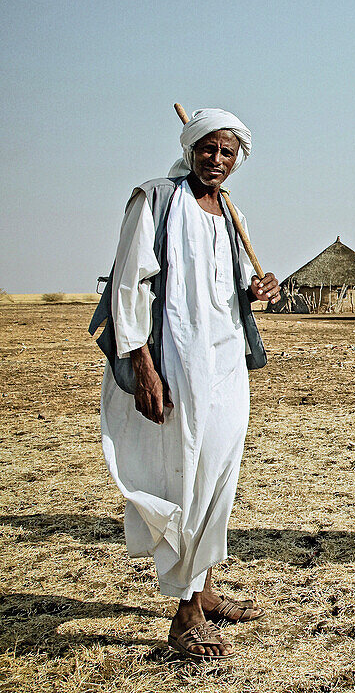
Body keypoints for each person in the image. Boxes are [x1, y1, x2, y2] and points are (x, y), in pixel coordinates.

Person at [90, 109, 280, 661]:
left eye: (227, 153)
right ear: (191, 147)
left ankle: (206, 586)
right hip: (176, 362)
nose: (216, 161)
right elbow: (129, 283)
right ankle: (184, 616)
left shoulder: (229, 212)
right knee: (185, 476)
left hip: (226, 365)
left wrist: (258, 288)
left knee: (219, 473)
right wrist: (142, 364)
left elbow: (231, 289)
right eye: (207, 149)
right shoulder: (154, 199)